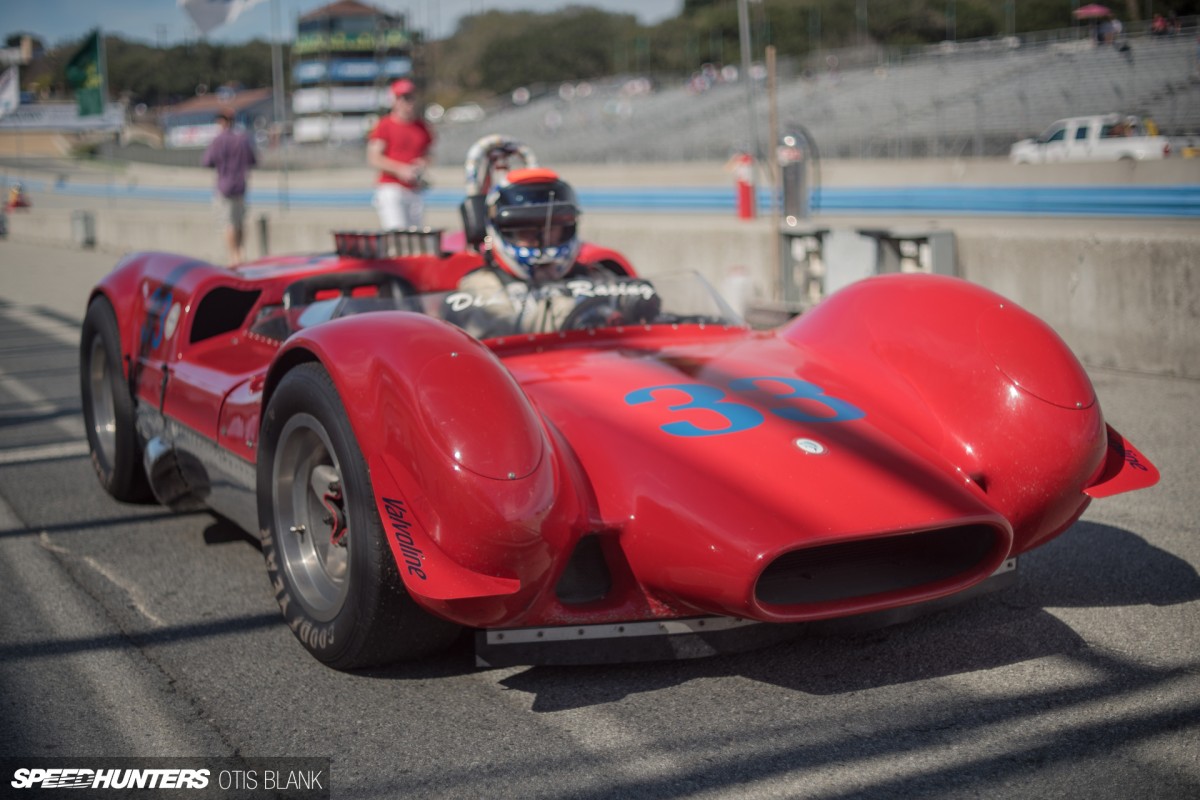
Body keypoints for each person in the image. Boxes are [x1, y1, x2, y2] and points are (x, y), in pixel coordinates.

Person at [453, 167, 657, 336]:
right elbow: (498, 328)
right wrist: (579, 312)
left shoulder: (591, 274)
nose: (542, 240)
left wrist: (637, 301)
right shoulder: (480, 286)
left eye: (552, 228)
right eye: (526, 230)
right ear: (502, 231)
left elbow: (628, 303)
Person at [367, 78, 434, 230]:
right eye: (402, 98)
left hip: (414, 189)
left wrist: (421, 164)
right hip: (391, 187)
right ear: (394, 101)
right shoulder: (385, 125)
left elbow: (428, 154)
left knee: (416, 234)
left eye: (410, 97)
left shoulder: (422, 127)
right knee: (397, 233)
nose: (407, 102)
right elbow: (374, 157)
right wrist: (400, 170)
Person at [201, 107, 256, 266]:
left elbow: (206, 162)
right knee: (239, 222)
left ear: (222, 122)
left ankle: (234, 257)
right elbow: (253, 160)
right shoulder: (242, 139)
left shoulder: (218, 140)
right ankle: (241, 252)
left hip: (224, 187)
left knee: (228, 223)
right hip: (240, 186)